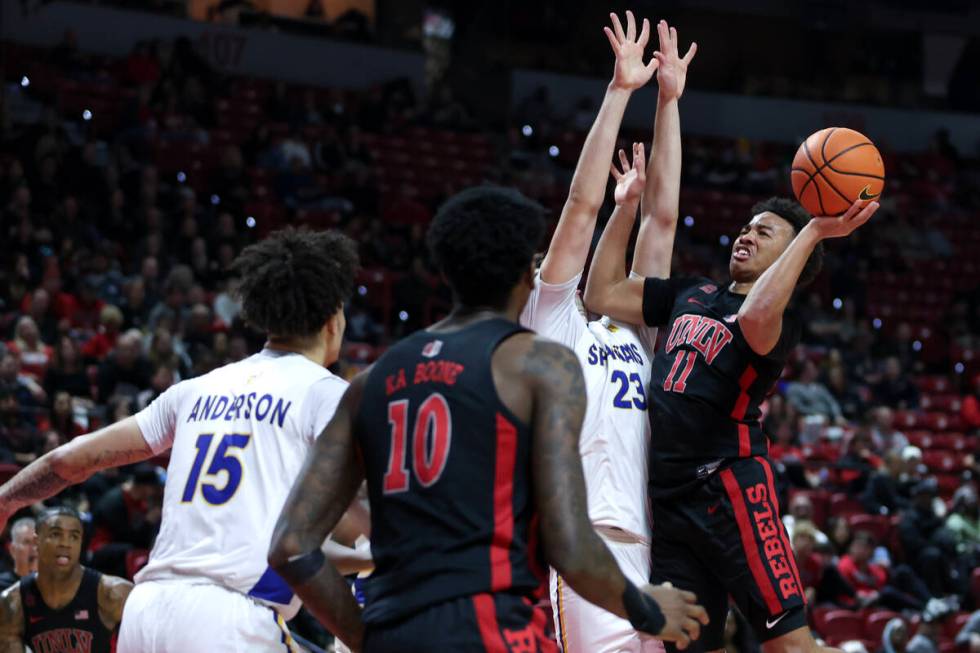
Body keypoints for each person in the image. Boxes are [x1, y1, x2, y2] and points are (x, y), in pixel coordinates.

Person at [269, 186, 709, 652]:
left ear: (444, 270)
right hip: (489, 627)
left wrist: (364, 637)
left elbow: (291, 546)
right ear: (526, 275)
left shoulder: (370, 382)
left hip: (394, 627)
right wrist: (646, 609)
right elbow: (568, 542)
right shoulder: (536, 366)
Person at [585, 86, 880, 650]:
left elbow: (754, 316)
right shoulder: (689, 293)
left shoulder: (777, 321)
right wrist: (624, 208)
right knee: (687, 642)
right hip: (669, 503)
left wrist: (816, 228)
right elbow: (601, 292)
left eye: (765, 231)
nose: (747, 233)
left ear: (792, 258)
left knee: (788, 643)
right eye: (748, 225)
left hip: (730, 489)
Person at [0, 228, 370, 652]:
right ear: (334, 318)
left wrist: (7, 499)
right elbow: (368, 510)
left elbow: (69, 461)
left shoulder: (195, 389)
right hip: (231, 619)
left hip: (148, 612)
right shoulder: (327, 395)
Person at [518, 13, 695, 652]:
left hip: (654, 549)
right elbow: (579, 207)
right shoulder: (549, 322)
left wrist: (670, 101)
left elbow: (665, 221)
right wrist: (620, 92)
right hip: (583, 544)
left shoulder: (637, 337)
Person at [0, 507, 132, 652]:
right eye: (56, 534)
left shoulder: (114, 593)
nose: (65, 543)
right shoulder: (13, 604)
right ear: (37, 541)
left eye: (74, 536)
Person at [0, 517, 37, 588]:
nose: (34, 548)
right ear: (13, 550)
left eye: (36, 542)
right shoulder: (2, 584)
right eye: (27, 542)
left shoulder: (52, 584)